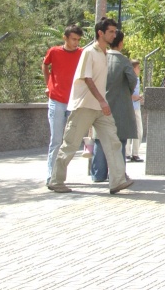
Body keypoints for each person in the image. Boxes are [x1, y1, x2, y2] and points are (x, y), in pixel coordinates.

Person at [47, 17, 134, 195]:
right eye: (111, 31)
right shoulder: (89, 52)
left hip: (101, 108)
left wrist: (102, 102)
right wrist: (102, 100)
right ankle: (56, 180)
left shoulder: (105, 53)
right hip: (84, 106)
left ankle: (117, 181)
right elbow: (87, 78)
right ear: (100, 33)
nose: (114, 35)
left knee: (113, 142)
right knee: (70, 144)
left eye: (115, 31)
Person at [90, 31, 137, 182]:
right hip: (120, 106)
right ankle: (118, 174)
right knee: (120, 140)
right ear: (121, 43)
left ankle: (98, 174)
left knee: (100, 139)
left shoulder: (100, 57)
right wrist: (127, 92)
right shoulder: (123, 61)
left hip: (99, 104)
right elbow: (132, 80)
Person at [42, 24, 83, 184]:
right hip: (57, 100)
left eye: (78, 40)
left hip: (73, 101)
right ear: (65, 38)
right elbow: (45, 64)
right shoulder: (54, 51)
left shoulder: (81, 53)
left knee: (70, 141)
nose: (76, 43)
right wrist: (48, 84)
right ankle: (51, 176)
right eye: (73, 39)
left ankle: (60, 174)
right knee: (56, 140)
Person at [127, 60, 144, 162]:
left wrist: (139, 97)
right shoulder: (128, 79)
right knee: (128, 131)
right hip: (129, 107)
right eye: (138, 68)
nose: (139, 70)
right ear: (133, 69)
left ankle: (135, 153)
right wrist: (134, 97)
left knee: (139, 131)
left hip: (136, 107)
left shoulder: (137, 79)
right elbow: (125, 93)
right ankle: (127, 153)